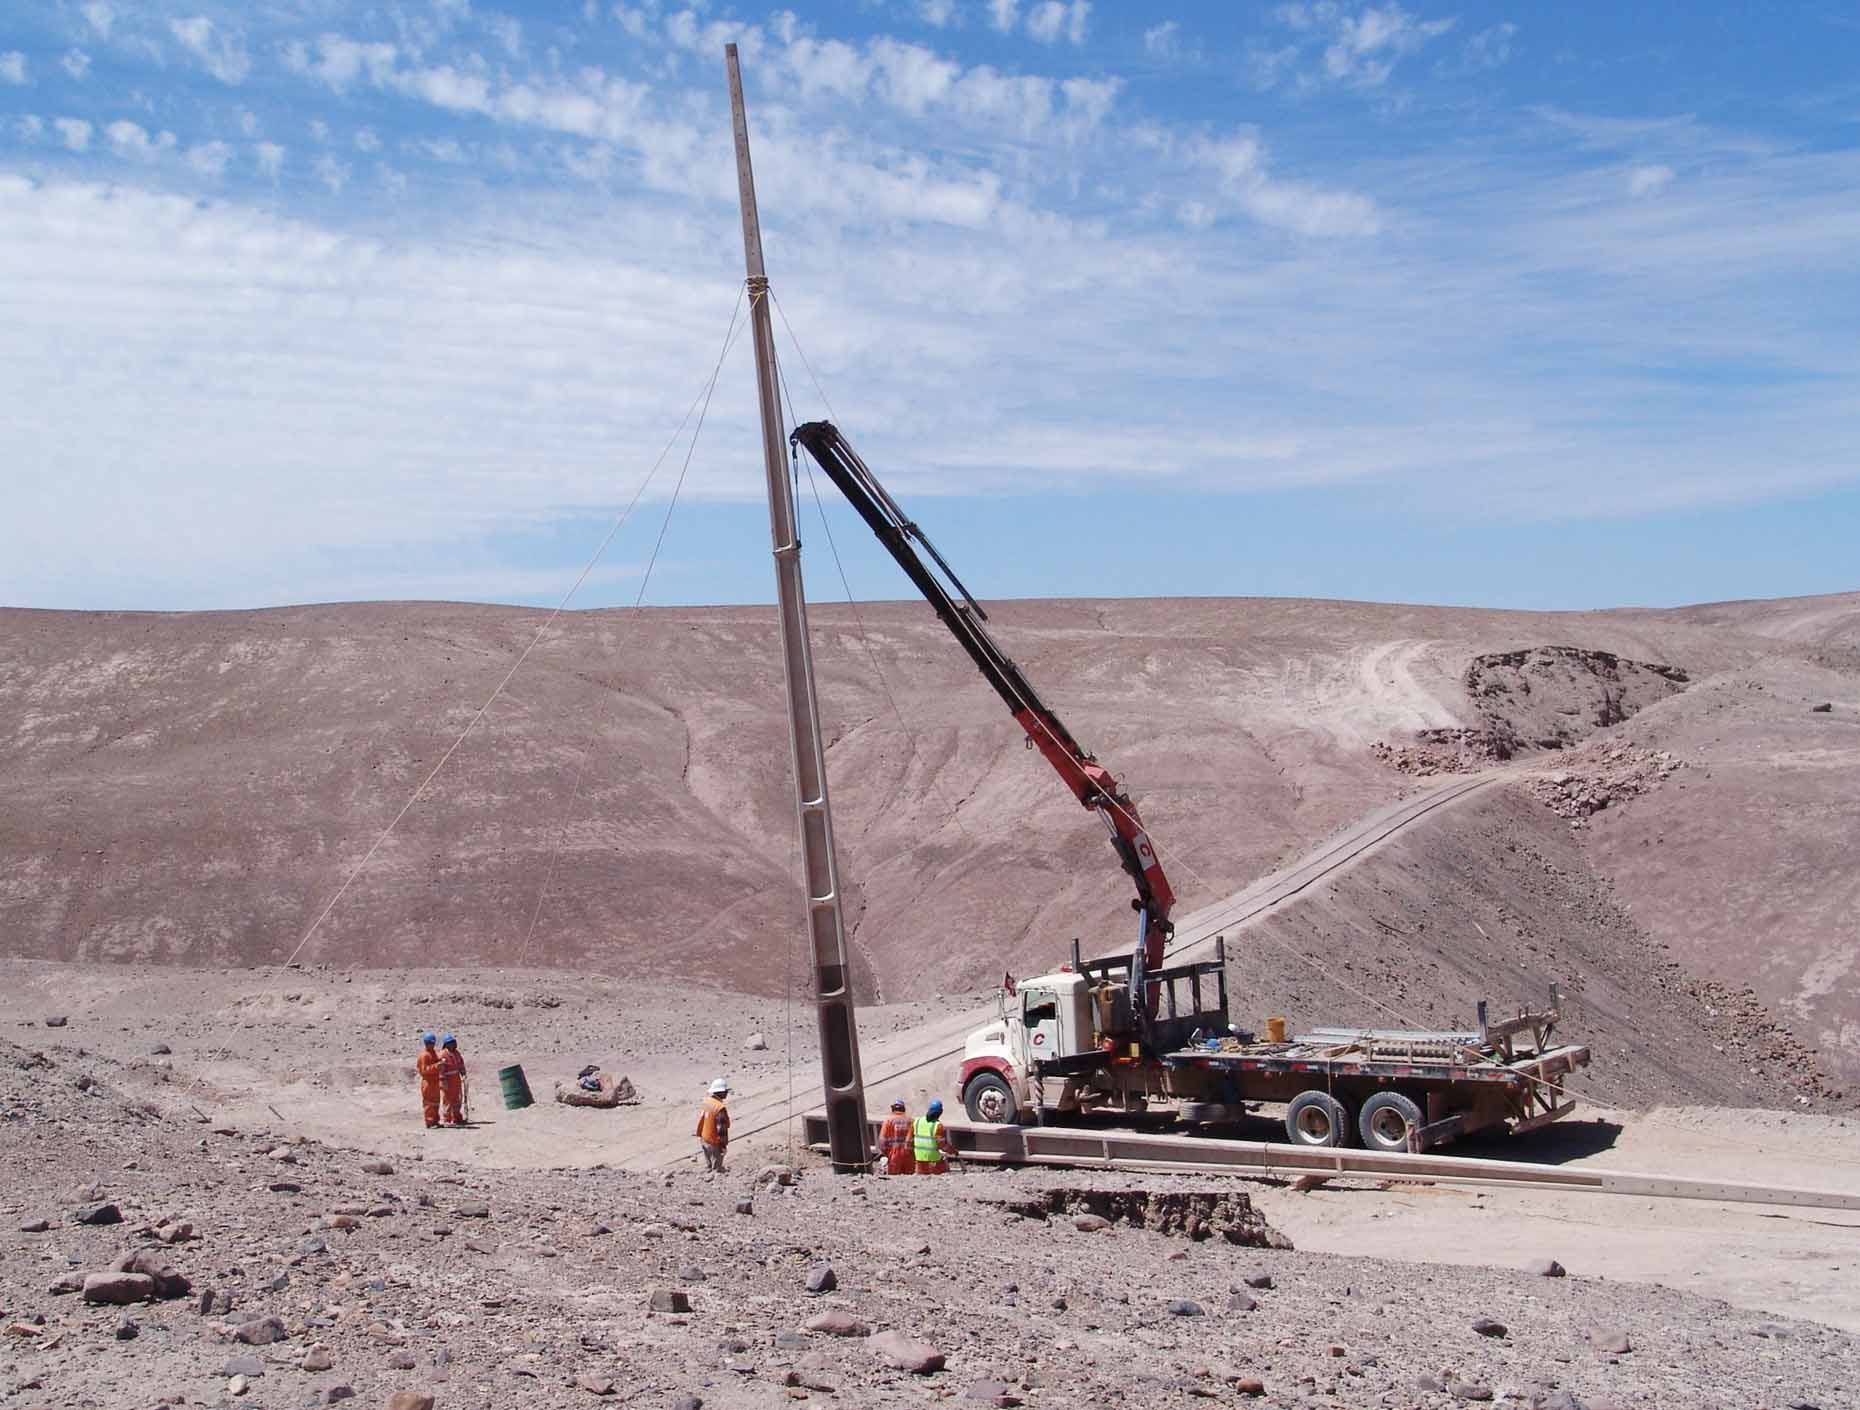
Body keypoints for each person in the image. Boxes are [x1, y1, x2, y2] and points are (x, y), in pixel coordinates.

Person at [912, 1098, 958, 1175]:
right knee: (944, 1171)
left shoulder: (917, 1121)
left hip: (918, 1159)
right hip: (933, 1160)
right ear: (940, 1112)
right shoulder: (938, 1126)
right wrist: (953, 1151)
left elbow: (910, 1139)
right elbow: (942, 1145)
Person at [695, 1078, 731, 1173]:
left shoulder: (707, 1101)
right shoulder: (719, 1108)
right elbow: (721, 1130)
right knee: (717, 1169)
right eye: (725, 1091)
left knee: (709, 1165)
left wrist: (699, 1134)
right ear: (720, 1092)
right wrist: (723, 1146)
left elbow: (702, 1119)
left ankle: (708, 1177)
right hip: (714, 1143)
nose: (727, 1093)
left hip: (704, 1139)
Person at [878, 1099, 914, 1175]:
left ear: (893, 1109)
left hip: (894, 1155)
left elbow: (882, 1140)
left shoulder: (888, 1121)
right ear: (903, 1109)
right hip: (909, 1155)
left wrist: (887, 1153)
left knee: (894, 1180)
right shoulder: (911, 1121)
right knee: (910, 1180)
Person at [415, 1033, 443, 1130]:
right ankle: (429, 1122)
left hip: (435, 1082)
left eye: (432, 1043)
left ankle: (435, 1120)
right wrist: (436, 1066)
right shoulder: (424, 1055)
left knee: (436, 1102)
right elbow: (424, 1070)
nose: (431, 1045)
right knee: (429, 1103)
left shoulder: (433, 1053)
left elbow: (436, 1061)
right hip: (428, 1082)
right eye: (429, 1043)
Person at [439, 1034, 467, 1126]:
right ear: (446, 1044)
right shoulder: (443, 1055)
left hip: (456, 1079)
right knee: (447, 1099)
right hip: (447, 1080)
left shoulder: (456, 1053)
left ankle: (456, 1117)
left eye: (454, 1043)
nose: (453, 1045)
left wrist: (463, 1073)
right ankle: (447, 1119)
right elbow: (440, 1069)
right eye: (451, 1043)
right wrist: (443, 1080)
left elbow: (460, 1063)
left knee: (457, 1099)